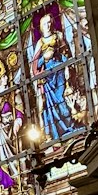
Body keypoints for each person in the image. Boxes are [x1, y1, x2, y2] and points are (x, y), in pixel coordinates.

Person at [31, 11, 76, 140]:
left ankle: (69, 126)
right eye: (44, 24)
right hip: (47, 76)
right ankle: (55, 133)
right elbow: (34, 63)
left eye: (49, 23)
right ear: (41, 26)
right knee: (50, 105)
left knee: (62, 99)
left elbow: (66, 52)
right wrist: (44, 58)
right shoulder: (40, 43)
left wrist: (67, 65)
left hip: (60, 70)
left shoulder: (59, 36)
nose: (48, 26)